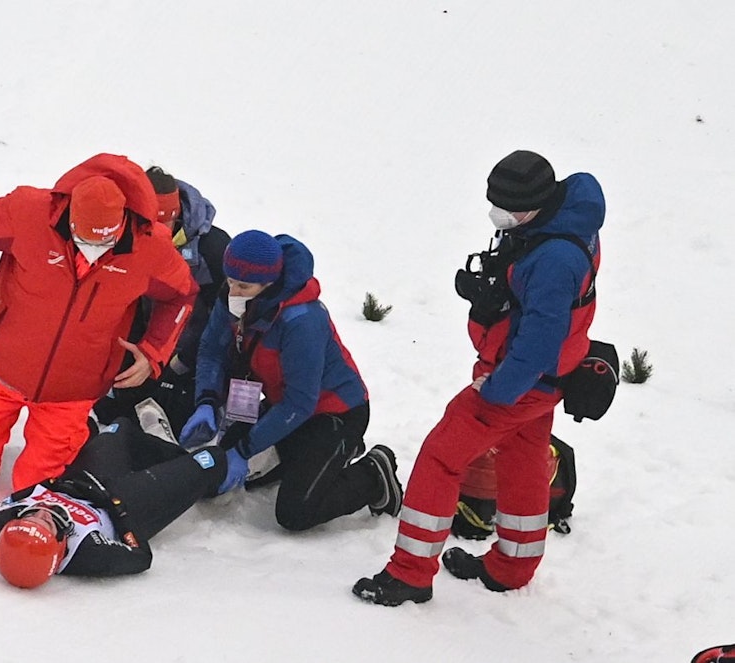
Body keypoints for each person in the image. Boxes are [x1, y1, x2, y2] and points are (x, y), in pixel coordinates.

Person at [353, 150, 605, 606]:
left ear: (536, 205)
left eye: (509, 210)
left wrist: (498, 390)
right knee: (524, 462)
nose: (498, 216)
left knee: (440, 456)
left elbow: (539, 343)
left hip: (519, 382)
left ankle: (410, 573)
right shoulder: (564, 220)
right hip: (544, 381)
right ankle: (511, 568)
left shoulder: (554, 261)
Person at [0, 153, 198, 492]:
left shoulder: (150, 246)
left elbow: (181, 295)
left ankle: (80, 437)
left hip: (73, 389)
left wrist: (153, 352)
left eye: (105, 242)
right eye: (84, 240)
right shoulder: (28, 212)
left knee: (34, 489)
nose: (92, 250)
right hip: (0, 364)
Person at [178, 229, 403, 531]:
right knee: (226, 472)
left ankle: (373, 474)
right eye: (230, 281)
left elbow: (301, 401)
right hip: (283, 405)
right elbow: (211, 349)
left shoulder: (302, 320)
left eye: (243, 286)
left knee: (296, 510)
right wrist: (206, 400)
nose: (233, 291)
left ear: (269, 284)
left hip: (333, 412)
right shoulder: (235, 296)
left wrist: (244, 451)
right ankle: (317, 456)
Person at [0, 417, 227, 587]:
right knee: (212, 460)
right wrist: (119, 511)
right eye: (49, 524)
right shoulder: (91, 554)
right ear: (61, 546)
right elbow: (141, 556)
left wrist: (55, 483)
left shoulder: (0, 520)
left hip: (85, 481)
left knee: (118, 427)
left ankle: (163, 449)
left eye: (30, 516)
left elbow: (16, 498)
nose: (43, 513)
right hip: (126, 504)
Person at [92, 166, 231, 436]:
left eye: (160, 225)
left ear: (175, 217)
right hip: (141, 347)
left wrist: (185, 361)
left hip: (193, 359)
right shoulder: (125, 237)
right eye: (145, 224)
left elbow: (227, 318)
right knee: (115, 414)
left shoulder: (212, 248)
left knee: (179, 425)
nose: (152, 233)